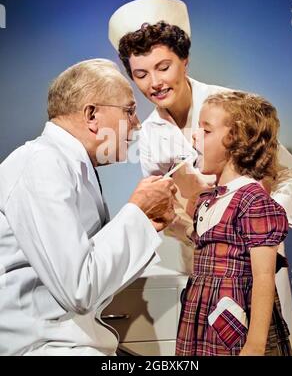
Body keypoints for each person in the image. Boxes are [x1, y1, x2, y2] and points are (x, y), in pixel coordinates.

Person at [108, 0, 292, 354]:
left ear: (185, 60)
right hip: (206, 267)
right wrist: (197, 230)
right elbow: (167, 213)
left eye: (163, 66)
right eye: (141, 74)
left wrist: (257, 226)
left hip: (256, 261)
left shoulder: (231, 106)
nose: (154, 83)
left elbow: (291, 175)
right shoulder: (149, 134)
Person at [0, 58, 177, 356]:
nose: (137, 124)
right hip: (40, 347)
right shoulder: (41, 163)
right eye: (130, 111)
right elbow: (80, 289)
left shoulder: (71, 166)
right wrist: (138, 212)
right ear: (92, 115)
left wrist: (146, 222)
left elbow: (94, 273)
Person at [176, 91, 292, 355]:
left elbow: (264, 277)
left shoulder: (253, 201)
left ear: (235, 142)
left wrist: (255, 344)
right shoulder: (209, 198)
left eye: (206, 130)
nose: (195, 136)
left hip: (234, 320)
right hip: (202, 314)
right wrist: (173, 218)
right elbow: (206, 241)